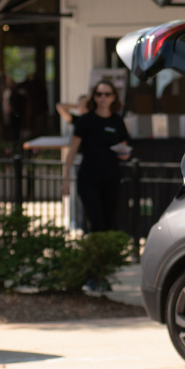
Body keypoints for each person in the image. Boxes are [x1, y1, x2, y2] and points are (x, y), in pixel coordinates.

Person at [61, 80, 130, 246]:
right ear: (94, 97)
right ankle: (96, 256)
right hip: (89, 177)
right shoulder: (85, 120)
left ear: (114, 97)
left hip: (111, 177)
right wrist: (65, 179)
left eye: (107, 94)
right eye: (99, 94)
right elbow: (72, 151)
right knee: (96, 222)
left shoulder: (117, 121)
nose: (103, 98)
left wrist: (124, 155)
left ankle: (108, 260)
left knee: (110, 221)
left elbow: (125, 149)